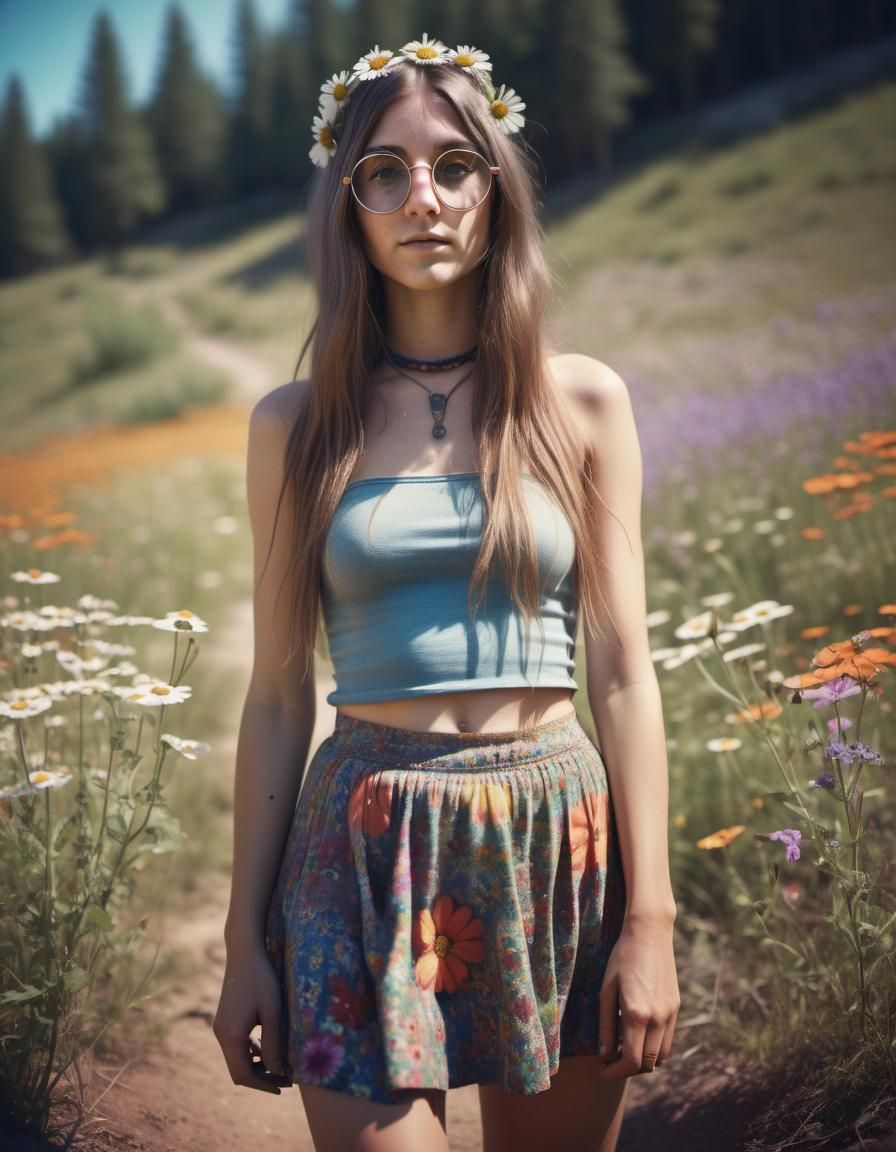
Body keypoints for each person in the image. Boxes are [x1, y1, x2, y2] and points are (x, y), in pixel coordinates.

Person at [213, 32, 680, 1152]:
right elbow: (278, 695)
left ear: (493, 189)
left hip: (553, 836)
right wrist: (241, 944)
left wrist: (652, 921)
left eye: (453, 165)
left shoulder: (582, 404)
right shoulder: (293, 426)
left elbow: (620, 669)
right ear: (349, 204)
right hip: (358, 847)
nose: (422, 196)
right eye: (384, 170)